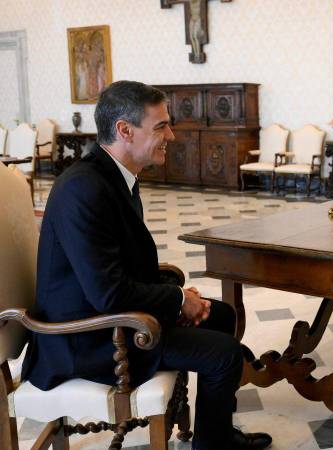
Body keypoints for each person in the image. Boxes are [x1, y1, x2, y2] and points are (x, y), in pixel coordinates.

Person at [21, 81, 272, 450]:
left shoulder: (114, 177)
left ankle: (214, 435)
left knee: (221, 316)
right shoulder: (83, 190)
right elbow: (108, 293)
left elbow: (122, 269)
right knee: (225, 355)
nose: (171, 134)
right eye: (160, 126)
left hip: (110, 318)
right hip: (84, 338)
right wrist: (174, 300)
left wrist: (177, 299)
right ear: (124, 130)